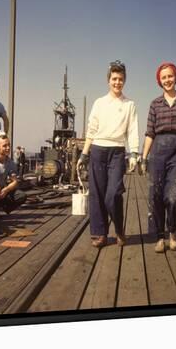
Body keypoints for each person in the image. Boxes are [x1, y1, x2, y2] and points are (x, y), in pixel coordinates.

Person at [77, 61, 139, 248]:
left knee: (113, 193)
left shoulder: (130, 105)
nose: (117, 82)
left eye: (120, 79)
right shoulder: (99, 103)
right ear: (108, 80)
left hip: (118, 152)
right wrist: (84, 155)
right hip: (97, 149)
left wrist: (134, 153)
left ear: (124, 81)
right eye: (114, 79)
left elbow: (133, 130)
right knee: (97, 193)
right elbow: (91, 130)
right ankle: (100, 233)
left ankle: (119, 229)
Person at [141, 62, 176, 253]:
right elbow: (149, 133)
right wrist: (143, 157)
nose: (167, 80)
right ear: (159, 80)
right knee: (156, 194)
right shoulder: (155, 104)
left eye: (170, 76)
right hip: (158, 151)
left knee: (173, 195)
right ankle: (159, 237)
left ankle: (173, 231)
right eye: (163, 77)